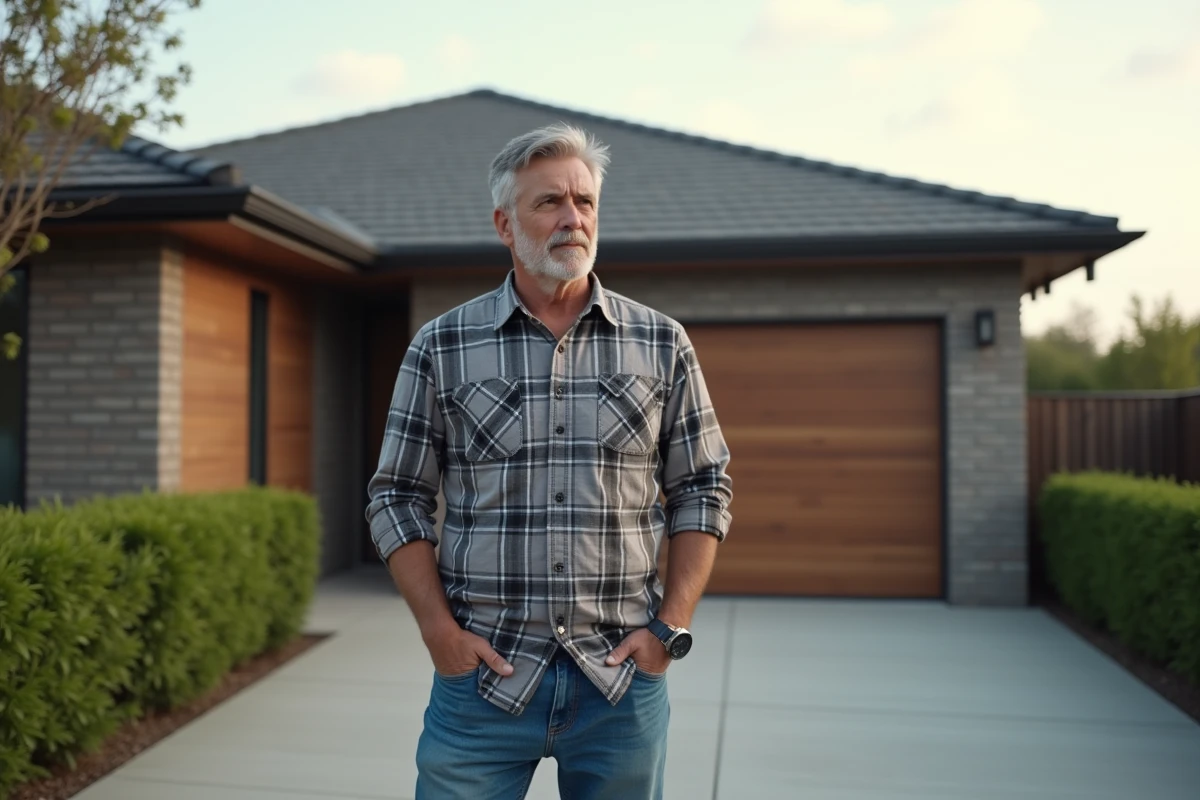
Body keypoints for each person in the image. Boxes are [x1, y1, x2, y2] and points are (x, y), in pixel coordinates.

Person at [365, 122, 733, 800]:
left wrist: (670, 628)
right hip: (482, 684)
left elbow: (703, 487)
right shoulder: (441, 346)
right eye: (549, 204)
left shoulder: (661, 343)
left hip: (621, 688)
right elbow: (395, 497)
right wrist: (438, 634)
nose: (573, 219)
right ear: (505, 225)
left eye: (584, 201)